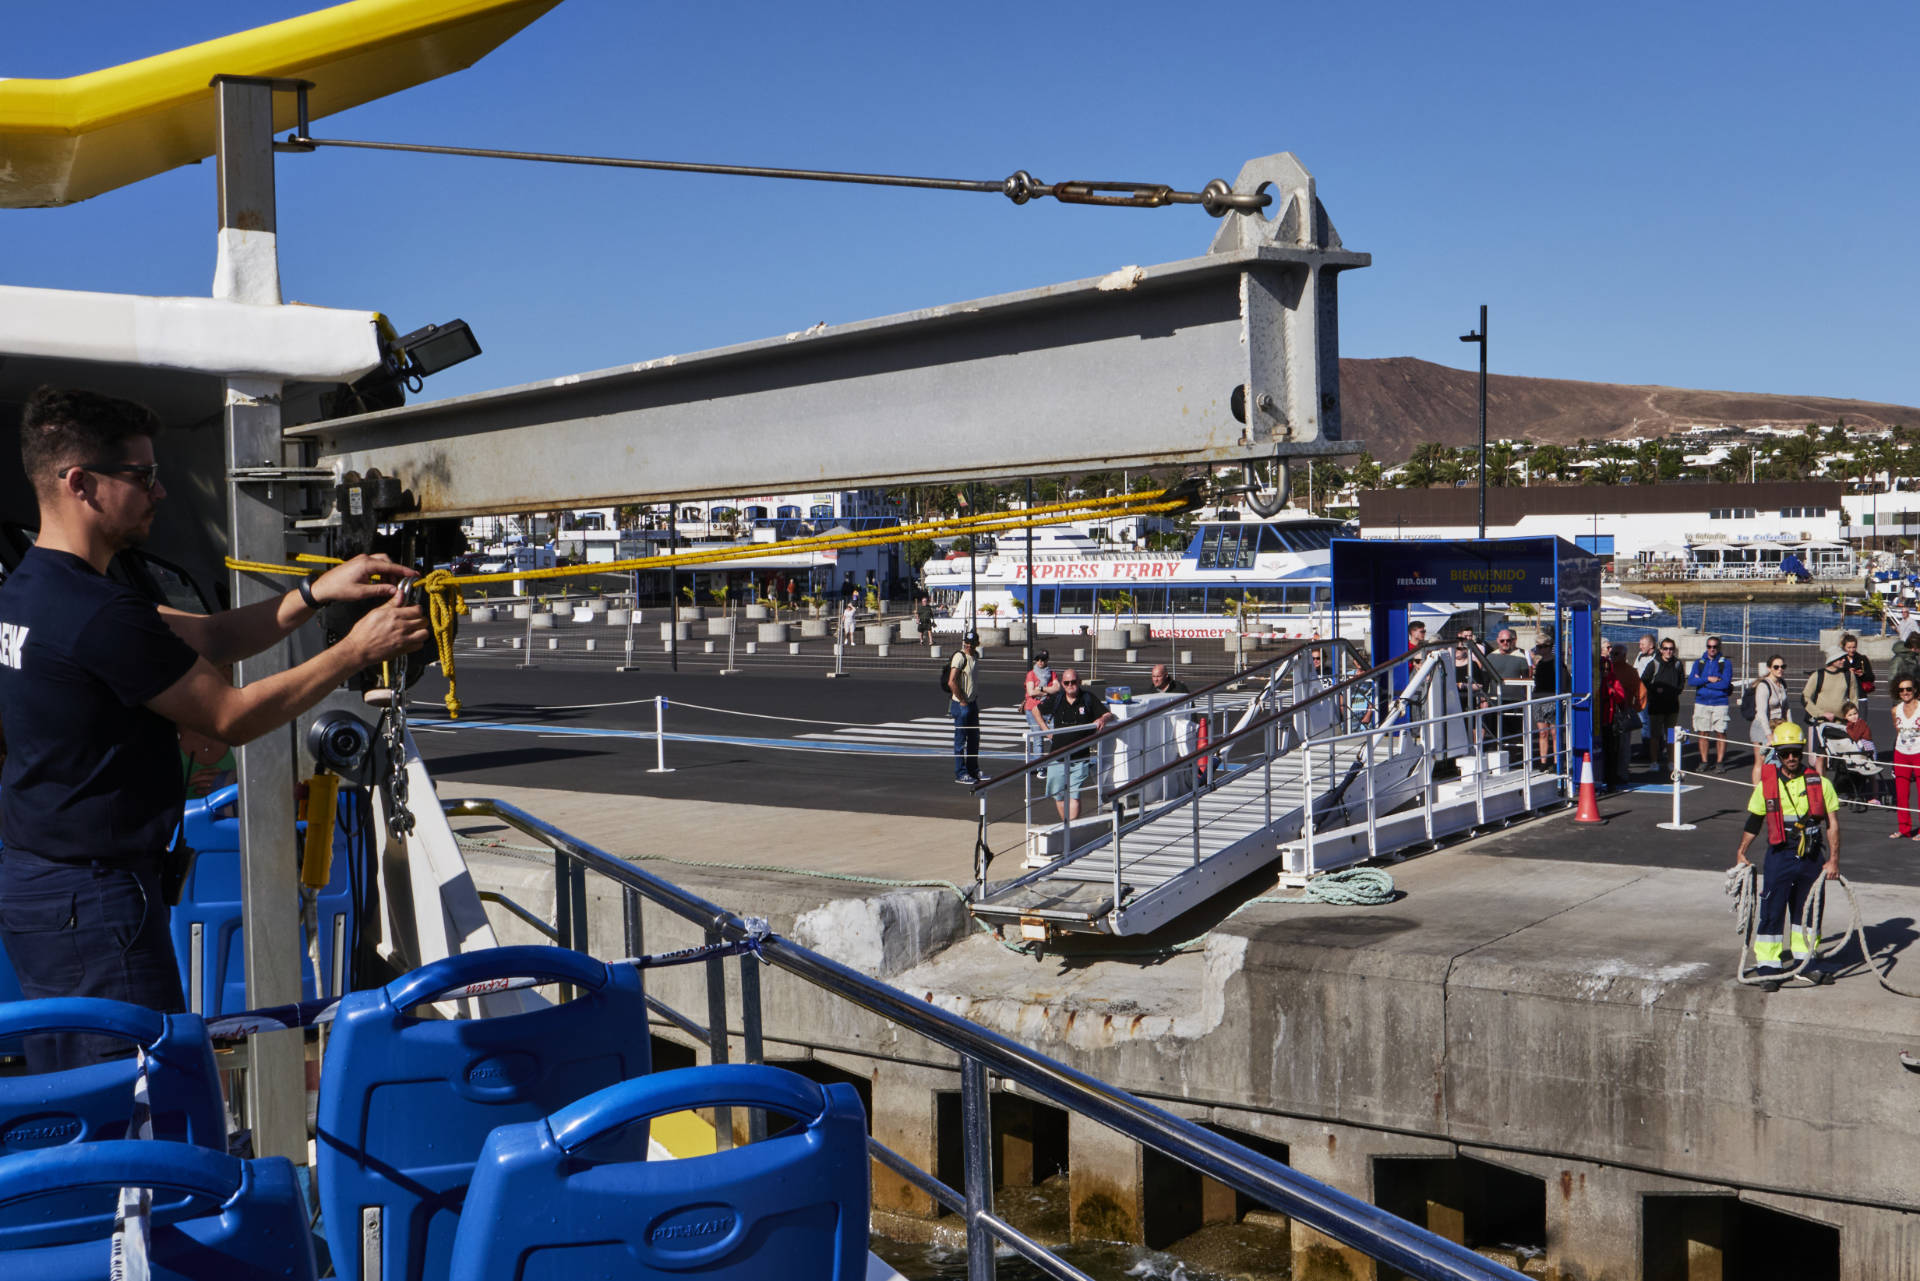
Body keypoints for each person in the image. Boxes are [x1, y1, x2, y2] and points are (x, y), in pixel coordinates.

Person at [0, 386, 428, 1071]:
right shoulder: (95, 612)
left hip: (46, 888)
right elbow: (231, 716)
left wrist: (316, 593)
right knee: (143, 1093)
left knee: (87, 1087)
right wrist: (356, 650)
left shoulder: (32, 588)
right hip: (95, 903)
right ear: (81, 483)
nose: (160, 491)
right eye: (141, 476)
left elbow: (213, 635)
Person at [1733, 722, 1840, 992]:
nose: (1791, 757)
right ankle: (1769, 966)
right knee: (1772, 911)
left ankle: (1805, 964)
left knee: (1809, 911)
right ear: (1777, 754)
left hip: (1812, 856)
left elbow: (1833, 824)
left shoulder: (1822, 784)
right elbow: (1754, 820)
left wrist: (1834, 860)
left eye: (1795, 752)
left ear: (1802, 751)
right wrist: (1741, 851)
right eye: (1785, 753)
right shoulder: (1767, 785)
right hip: (1780, 856)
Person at [1037, 668, 1113, 821]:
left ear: (1079, 682)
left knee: (1075, 794)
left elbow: (1108, 714)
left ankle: (1071, 827)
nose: (1070, 685)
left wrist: (1102, 720)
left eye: (1073, 682)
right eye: (1067, 682)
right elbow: (1035, 710)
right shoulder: (1057, 699)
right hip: (1057, 755)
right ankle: (1066, 825)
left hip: (1080, 756)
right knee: (1058, 795)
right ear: (1063, 684)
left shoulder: (1087, 698)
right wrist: (1045, 730)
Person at [1687, 636, 1733, 772]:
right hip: (1702, 702)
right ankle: (1704, 761)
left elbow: (1725, 684)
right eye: (1709, 646)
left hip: (1720, 703)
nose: (1712, 649)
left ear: (1719, 648)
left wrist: (1702, 683)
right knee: (1703, 732)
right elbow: (1690, 681)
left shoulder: (1726, 663)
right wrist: (1709, 679)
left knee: (1721, 732)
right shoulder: (1698, 663)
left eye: (1714, 647)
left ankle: (1719, 762)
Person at [1484, 628, 1533, 757]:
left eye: (1508, 640)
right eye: (1502, 640)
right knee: (1494, 728)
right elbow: (1485, 679)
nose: (1505, 643)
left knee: (1513, 730)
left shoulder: (1521, 657)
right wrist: (1483, 699)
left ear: (1513, 641)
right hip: (1495, 699)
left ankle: (1514, 756)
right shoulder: (1490, 657)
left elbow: (1526, 678)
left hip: (1514, 700)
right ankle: (1497, 753)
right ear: (1498, 641)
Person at [1747, 653, 1792, 785]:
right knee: (1761, 761)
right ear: (1769, 668)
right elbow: (1761, 713)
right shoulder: (1763, 686)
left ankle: (1774, 790)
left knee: (1779, 760)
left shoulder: (1782, 684)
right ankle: (1756, 793)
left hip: (1779, 726)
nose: (1780, 669)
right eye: (1776, 667)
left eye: (1782, 666)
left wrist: (1791, 727)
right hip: (1762, 726)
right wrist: (1768, 735)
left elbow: (1787, 709)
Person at [1643, 638, 1686, 775]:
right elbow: (1644, 681)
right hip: (1656, 706)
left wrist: (1675, 692)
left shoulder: (1678, 664)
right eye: (1666, 648)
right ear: (1661, 650)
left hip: (1672, 706)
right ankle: (1654, 761)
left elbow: (1681, 682)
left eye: (1671, 649)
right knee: (1655, 735)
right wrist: (1655, 690)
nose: (1669, 651)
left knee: (1671, 736)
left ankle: (1671, 761)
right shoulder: (1654, 664)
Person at [1601, 646, 1639, 787]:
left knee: (1617, 750)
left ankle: (1617, 776)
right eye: (1602, 669)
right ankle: (1603, 776)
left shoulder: (1619, 676)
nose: (1605, 671)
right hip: (1599, 720)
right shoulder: (1597, 680)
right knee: (1603, 750)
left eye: (1606, 669)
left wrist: (1635, 708)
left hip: (1614, 720)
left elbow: (1623, 697)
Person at [947, 630, 982, 784]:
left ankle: (973, 769)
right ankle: (961, 773)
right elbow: (951, 681)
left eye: (971, 643)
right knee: (960, 740)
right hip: (962, 704)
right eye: (966, 643)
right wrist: (962, 700)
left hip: (972, 703)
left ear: (976, 644)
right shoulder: (959, 657)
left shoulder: (975, 656)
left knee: (974, 738)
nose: (968, 646)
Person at [1532, 640, 1569, 765]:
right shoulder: (1540, 663)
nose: (1541, 649)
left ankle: (1556, 762)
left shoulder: (1557, 663)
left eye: (1543, 646)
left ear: (1549, 647)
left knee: (1554, 732)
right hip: (1539, 698)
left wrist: (1561, 696)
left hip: (1553, 699)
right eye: (1539, 646)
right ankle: (1543, 762)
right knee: (1542, 733)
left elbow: (1564, 680)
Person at [1891, 678, 1920, 839]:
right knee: (1901, 793)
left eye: (1908, 689)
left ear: (1915, 690)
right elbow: (1898, 731)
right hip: (1901, 753)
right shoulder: (1895, 710)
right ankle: (1904, 828)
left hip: (1919, 753)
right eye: (1901, 690)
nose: (1905, 693)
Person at [1802, 650, 1859, 727]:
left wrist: (1853, 717)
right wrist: (1820, 714)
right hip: (1820, 723)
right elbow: (1805, 697)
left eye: (1844, 657)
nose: (1844, 660)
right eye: (1840, 658)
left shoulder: (1849, 675)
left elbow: (1854, 698)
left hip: (1842, 723)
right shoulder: (1818, 675)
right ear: (1832, 660)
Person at [1632, 633, 1659, 760]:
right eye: (1639, 643)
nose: (1640, 646)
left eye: (1643, 644)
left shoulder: (1657, 658)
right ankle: (1646, 748)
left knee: (1656, 723)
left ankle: (1659, 749)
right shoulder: (1640, 656)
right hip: (1641, 695)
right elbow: (1635, 671)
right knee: (1644, 722)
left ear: (1651, 645)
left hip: (1653, 695)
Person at [1838, 632, 1876, 712]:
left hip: (1860, 695)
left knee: (1861, 722)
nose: (1852, 650)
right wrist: (1847, 672)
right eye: (1849, 648)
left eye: (1854, 647)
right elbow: (1835, 675)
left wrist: (1862, 674)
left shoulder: (1862, 659)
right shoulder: (1839, 660)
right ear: (1844, 647)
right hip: (1844, 696)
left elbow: (1871, 677)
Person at [1022, 650, 1054, 737]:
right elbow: (1031, 692)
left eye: (1043, 659)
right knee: (1038, 739)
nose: (1040, 662)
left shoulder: (1052, 673)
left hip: (1047, 708)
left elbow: (1056, 689)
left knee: (1054, 736)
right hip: (1032, 708)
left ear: (1047, 660)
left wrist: (1040, 689)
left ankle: (1057, 751)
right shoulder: (1031, 674)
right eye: (1038, 659)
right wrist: (1046, 692)